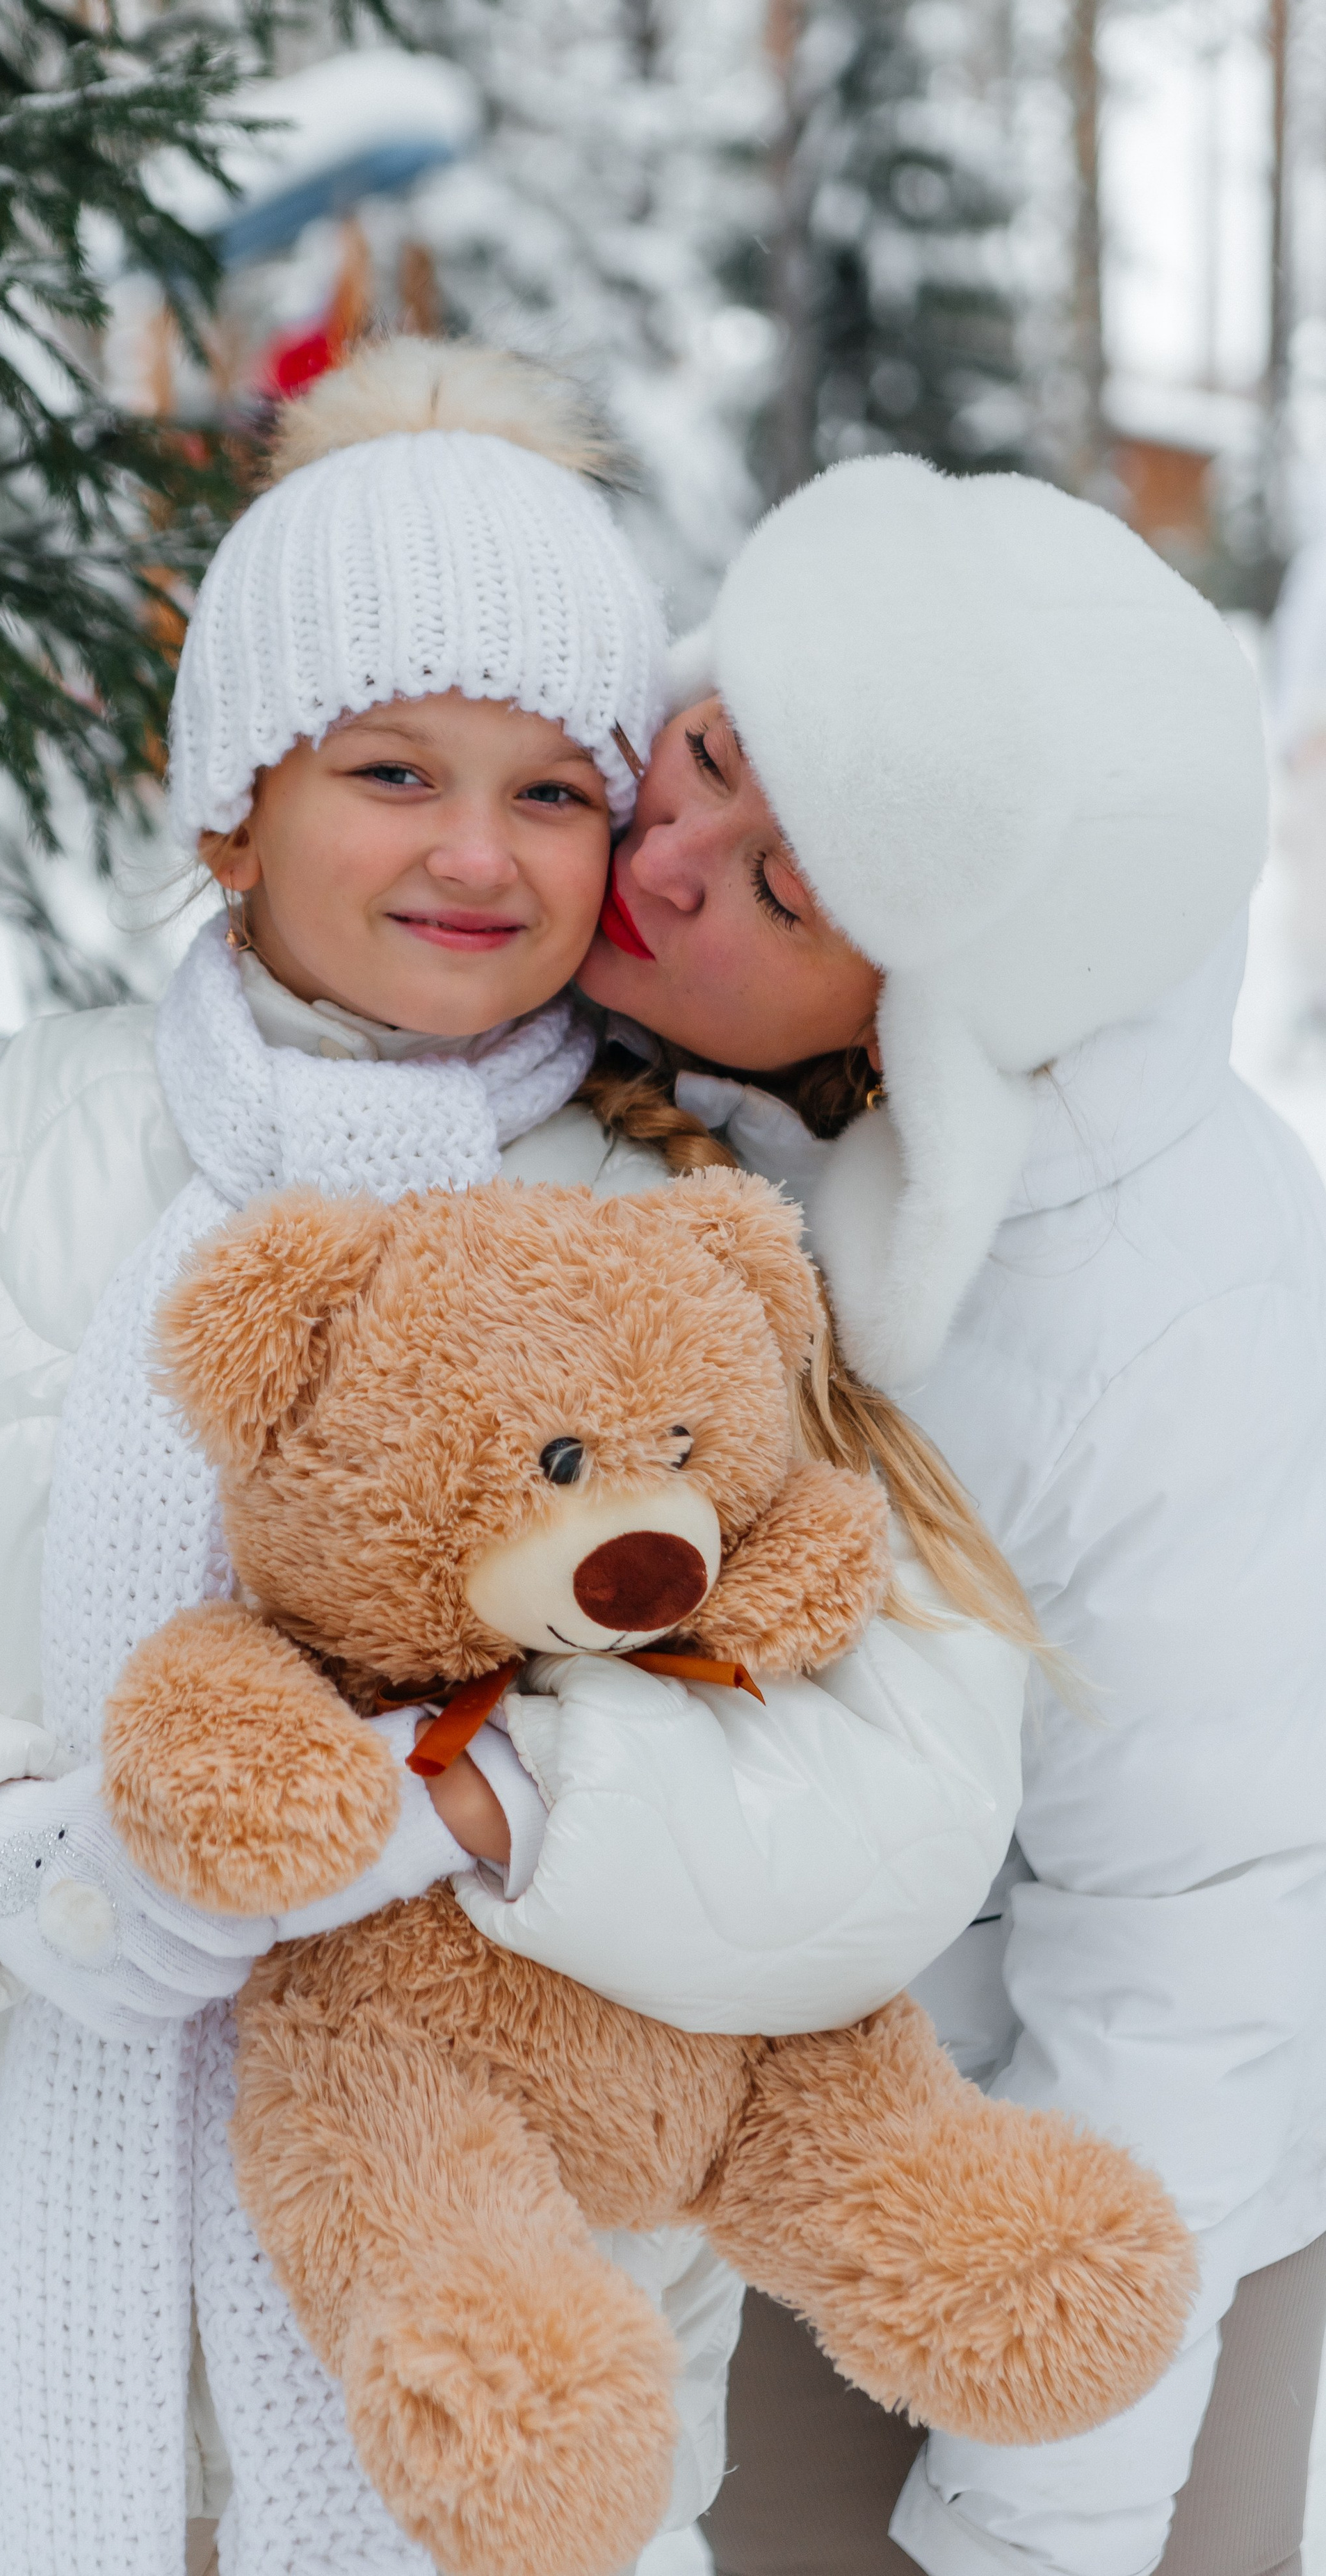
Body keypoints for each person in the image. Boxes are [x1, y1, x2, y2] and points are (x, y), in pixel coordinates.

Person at [0, 354, 1028, 2576]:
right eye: (391, 768)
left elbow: (904, 1779)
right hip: (14, 2379)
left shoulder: (686, 1220)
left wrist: (508, 1802)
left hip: (501, 2398)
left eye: (556, 791)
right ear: (229, 805)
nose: (475, 850)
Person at [579, 453, 1326, 2576]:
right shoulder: (633, 1050)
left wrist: (1052, 2497)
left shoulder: (1168, 1300)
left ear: (930, 1021)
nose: (674, 855)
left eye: (789, 888)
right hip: (730, 2147)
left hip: (1068, 2193)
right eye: (709, 751)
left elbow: (1193, 1932)